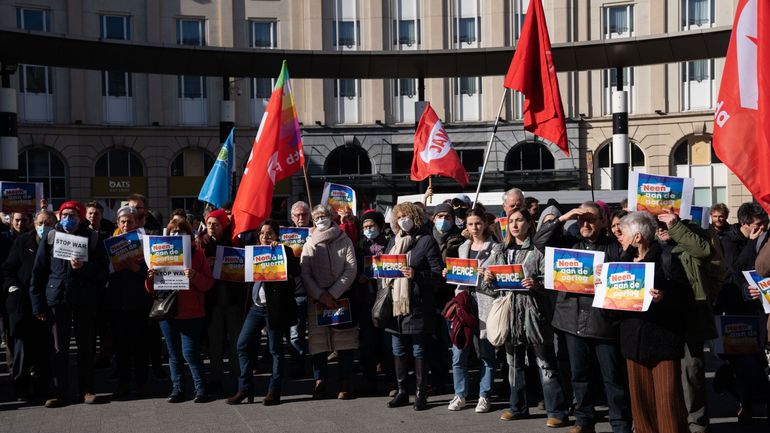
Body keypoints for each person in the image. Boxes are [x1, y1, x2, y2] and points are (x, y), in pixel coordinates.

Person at [543, 202, 632, 433]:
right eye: (581, 219)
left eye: (591, 219)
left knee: (612, 377)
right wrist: (564, 218)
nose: (585, 224)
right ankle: (584, 420)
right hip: (571, 321)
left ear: (603, 222)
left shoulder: (614, 247)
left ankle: (620, 424)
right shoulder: (569, 244)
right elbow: (539, 241)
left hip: (605, 322)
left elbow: (631, 275)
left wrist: (613, 270)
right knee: (579, 375)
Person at [615, 211, 690, 433]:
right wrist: (604, 288)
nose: (620, 236)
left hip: (662, 344)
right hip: (632, 344)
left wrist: (663, 298)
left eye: (624, 232)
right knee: (641, 408)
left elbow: (685, 299)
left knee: (668, 406)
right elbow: (610, 310)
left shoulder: (666, 259)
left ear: (637, 237)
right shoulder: (621, 264)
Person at [30, 201, 109, 408]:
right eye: (64, 214)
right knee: (59, 349)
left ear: (81, 217)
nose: (68, 218)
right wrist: (38, 304)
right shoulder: (50, 237)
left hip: (84, 300)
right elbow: (38, 273)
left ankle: (87, 390)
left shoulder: (92, 238)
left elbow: (103, 271)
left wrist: (84, 267)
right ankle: (59, 392)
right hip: (58, 299)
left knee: (85, 348)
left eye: (72, 215)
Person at [500, 208, 569, 427]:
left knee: (545, 364)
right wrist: (488, 277)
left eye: (520, 220)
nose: (515, 225)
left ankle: (557, 411)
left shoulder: (538, 251)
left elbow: (552, 284)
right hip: (510, 314)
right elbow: (489, 285)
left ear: (530, 223)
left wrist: (536, 285)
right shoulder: (502, 250)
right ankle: (517, 407)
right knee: (514, 363)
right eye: (511, 221)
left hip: (535, 314)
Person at [657, 208, 723, 433]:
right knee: (664, 372)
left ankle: (696, 423)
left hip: (690, 311)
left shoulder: (692, 231)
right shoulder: (647, 233)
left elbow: (704, 252)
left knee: (692, 370)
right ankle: (668, 421)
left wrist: (675, 227)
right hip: (660, 314)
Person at [226, 219, 298, 405]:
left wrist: (280, 251)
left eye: (269, 233)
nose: (265, 237)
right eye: (262, 233)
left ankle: (274, 391)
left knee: (275, 350)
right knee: (242, 344)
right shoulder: (253, 252)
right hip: (255, 308)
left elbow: (296, 270)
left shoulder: (284, 251)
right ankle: (245, 388)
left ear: (276, 235)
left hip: (274, 309)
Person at [145, 219, 214, 403]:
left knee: (190, 353)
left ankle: (200, 389)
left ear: (188, 235)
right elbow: (152, 290)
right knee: (173, 354)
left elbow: (208, 284)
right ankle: (178, 389)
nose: (177, 234)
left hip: (192, 312)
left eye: (181, 231)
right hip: (168, 312)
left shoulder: (197, 254)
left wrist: (194, 275)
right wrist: (150, 277)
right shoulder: (159, 254)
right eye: (173, 231)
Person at [384, 202, 443, 411]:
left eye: (406, 216)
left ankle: (420, 393)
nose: (403, 220)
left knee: (419, 350)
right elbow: (385, 266)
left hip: (417, 305)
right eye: (399, 217)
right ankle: (402, 391)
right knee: (398, 349)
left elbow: (438, 274)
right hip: (395, 305)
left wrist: (417, 275)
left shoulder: (427, 241)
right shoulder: (393, 240)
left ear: (415, 217)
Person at [716, 202, 770, 424]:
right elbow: (734, 269)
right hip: (737, 307)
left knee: (759, 360)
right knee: (743, 361)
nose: (762, 229)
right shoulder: (729, 239)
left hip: (760, 306)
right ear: (744, 224)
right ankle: (744, 403)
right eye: (757, 225)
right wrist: (750, 243)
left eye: (765, 224)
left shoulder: (765, 238)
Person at [447, 207, 504, 413]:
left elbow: (500, 281)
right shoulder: (463, 247)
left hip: (485, 304)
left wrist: (488, 276)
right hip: (463, 305)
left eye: (478, 223)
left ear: (485, 223)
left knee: (486, 354)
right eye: (470, 224)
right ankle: (460, 394)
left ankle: (484, 395)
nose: (474, 228)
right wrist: (450, 273)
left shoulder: (496, 249)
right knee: (459, 352)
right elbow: (459, 275)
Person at [300, 205, 358, 400]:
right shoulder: (309, 242)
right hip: (317, 300)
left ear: (331, 216)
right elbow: (305, 273)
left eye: (323, 215)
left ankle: (346, 382)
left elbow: (350, 269)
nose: (320, 219)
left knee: (344, 342)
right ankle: (320, 381)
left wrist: (333, 293)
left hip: (340, 297)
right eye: (316, 217)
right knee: (318, 344)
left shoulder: (344, 240)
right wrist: (321, 295)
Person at [2, 210, 56, 401]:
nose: (44, 226)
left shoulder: (60, 243)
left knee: (45, 347)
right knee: (22, 347)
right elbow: (9, 269)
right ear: (34, 223)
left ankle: (44, 386)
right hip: (23, 303)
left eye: (48, 223)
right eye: (41, 222)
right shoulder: (22, 242)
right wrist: (12, 287)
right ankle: (20, 387)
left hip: (48, 301)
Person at [106, 206, 152, 399]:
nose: (126, 225)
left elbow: (152, 271)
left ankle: (141, 384)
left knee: (140, 346)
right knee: (121, 347)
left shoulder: (144, 242)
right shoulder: (108, 243)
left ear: (136, 223)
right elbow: (102, 270)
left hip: (139, 302)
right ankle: (123, 384)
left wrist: (137, 269)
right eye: (122, 222)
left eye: (130, 222)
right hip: (118, 303)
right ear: (117, 223)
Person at [198, 209, 244, 394]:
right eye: (209, 223)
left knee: (235, 341)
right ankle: (215, 378)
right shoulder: (201, 244)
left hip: (232, 301)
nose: (211, 227)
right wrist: (205, 265)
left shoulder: (234, 242)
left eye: (216, 224)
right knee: (214, 343)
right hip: (212, 302)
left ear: (223, 225)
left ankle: (236, 378)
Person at [355, 210, 393, 394]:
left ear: (380, 226)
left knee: (387, 343)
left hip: (385, 298)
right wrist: (359, 277)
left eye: (372, 226)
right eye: (365, 227)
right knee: (367, 343)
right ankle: (369, 381)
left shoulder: (389, 243)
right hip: (366, 300)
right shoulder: (359, 245)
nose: (368, 230)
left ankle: (391, 381)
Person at [286, 200, 312, 378]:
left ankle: (318, 369)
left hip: (315, 289)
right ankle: (298, 366)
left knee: (314, 333)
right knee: (295, 334)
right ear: (291, 217)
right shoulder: (284, 236)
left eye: (304, 214)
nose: (301, 218)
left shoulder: (316, 233)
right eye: (297, 215)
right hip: (295, 291)